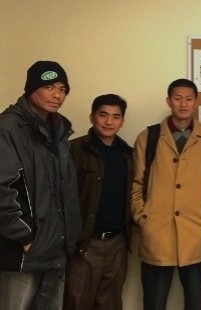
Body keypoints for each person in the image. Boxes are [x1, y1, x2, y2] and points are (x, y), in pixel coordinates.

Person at [130, 79, 201, 310]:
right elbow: (136, 183)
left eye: (189, 99)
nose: (183, 104)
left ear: (196, 102)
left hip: (194, 232)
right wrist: (143, 216)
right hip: (157, 232)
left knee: (195, 301)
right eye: (178, 98)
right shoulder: (148, 137)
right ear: (169, 101)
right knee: (154, 302)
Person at [0, 60, 81, 309]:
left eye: (63, 89)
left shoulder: (59, 131)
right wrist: (25, 237)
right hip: (24, 251)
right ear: (31, 88)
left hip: (56, 246)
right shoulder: (8, 127)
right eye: (49, 86)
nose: (57, 95)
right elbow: (4, 187)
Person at [64, 94, 134, 310]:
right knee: (76, 302)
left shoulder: (128, 154)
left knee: (110, 303)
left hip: (117, 243)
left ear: (122, 120)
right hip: (84, 244)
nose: (109, 121)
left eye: (116, 116)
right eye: (103, 115)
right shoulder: (72, 150)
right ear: (92, 117)